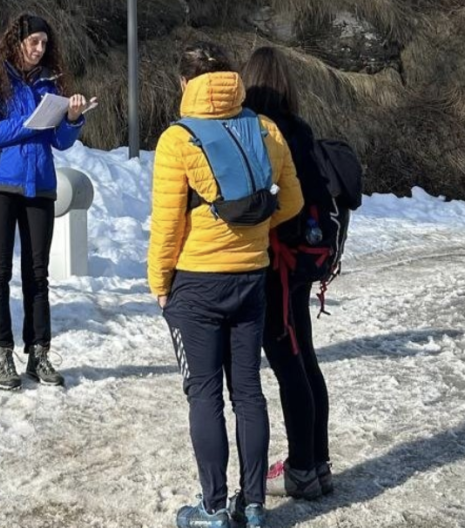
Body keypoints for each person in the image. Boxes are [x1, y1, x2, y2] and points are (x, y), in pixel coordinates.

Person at [149, 42, 303, 528]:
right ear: (231, 78)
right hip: (251, 279)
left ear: (184, 83)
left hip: (195, 283)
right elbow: (293, 203)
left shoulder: (178, 139)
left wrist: (159, 281)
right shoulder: (266, 129)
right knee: (248, 392)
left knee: (204, 395)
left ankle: (213, 510)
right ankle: (253, 506)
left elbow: (168, 223)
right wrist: (252, 230)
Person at [0, 13, 92, 391]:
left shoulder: (49, 85)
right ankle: (0, 352)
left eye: (44, 43)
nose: (40, 49)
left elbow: (59, 141)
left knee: (37, 274)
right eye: (33, 42)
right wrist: (30, 121)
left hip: (40, 186)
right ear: (16, 42)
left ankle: (39, 352)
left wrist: (71, 118)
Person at [241, 46, 334, 500]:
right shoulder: (301, 129)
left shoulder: (260, 133)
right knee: (306, 361)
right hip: (303, 262)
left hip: (276, 262)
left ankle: (300, 469)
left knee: (288, 366)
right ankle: (318, 463)